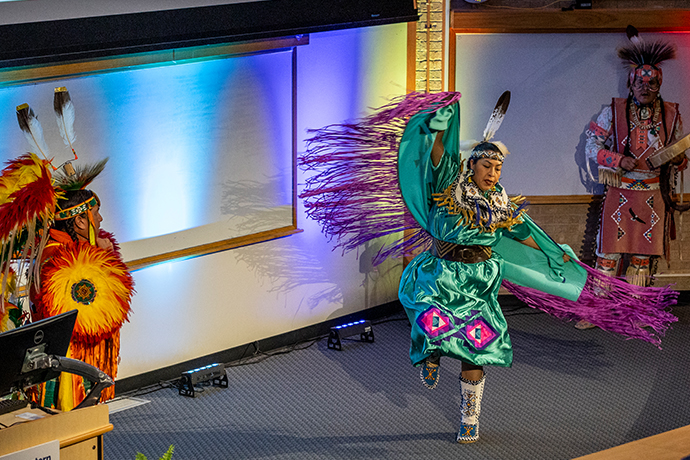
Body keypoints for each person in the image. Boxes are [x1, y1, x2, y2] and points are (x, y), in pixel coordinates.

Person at [397, 95, 575, 443]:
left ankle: (470, 418)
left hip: (479, 281)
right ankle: (430, 352)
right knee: (429, 318)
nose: (493, 174)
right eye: (487, 167)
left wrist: (555, 253)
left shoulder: (500, 204)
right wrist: (439, 128)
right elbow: (439, 154)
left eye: (498, 169)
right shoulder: (449, 187)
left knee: (474, 349)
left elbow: (524, 232)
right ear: (472, 166)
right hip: (440, 274)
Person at [577, 30, 687, 329]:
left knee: (641, 258)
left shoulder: (671, 115)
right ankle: (596, 310)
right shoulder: (612, 112)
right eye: (640, 81)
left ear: (659, 84)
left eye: (652, 82)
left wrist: (677, 158)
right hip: (620, 191)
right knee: (608, 254)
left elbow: (681, 156)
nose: (645, 87)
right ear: (631, 82)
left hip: (653, 195)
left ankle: (634, 313)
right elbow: (591, 147)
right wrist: (617, 159)